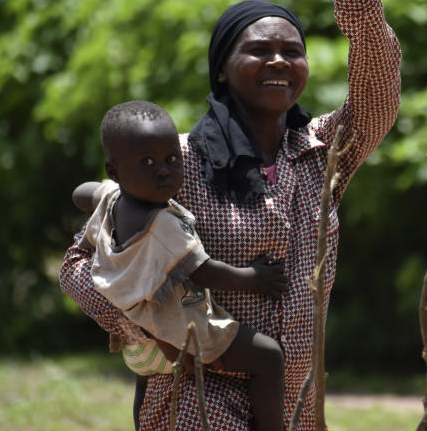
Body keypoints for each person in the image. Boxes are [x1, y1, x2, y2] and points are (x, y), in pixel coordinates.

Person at [60, 0, 402, 430]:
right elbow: (81, 267)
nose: (279, 61)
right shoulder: (176, 163)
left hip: (294, 405)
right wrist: (147, 334)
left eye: (293, 51)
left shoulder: (321, 154)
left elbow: (378, 97)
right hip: (197, 399)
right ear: (223, 68)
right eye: (259, 50)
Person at [73, 100, 288, 431]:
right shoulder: (163, 227)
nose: (163, 170)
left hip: (138, 348)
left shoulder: (112, 198)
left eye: (172, 159)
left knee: (146, 397)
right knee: (269, 357)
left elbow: (80, 192)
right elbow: (204, 272)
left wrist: (108, 189)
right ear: (115, 169)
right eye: (147, 162)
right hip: (179, 335)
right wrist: (255, 277)